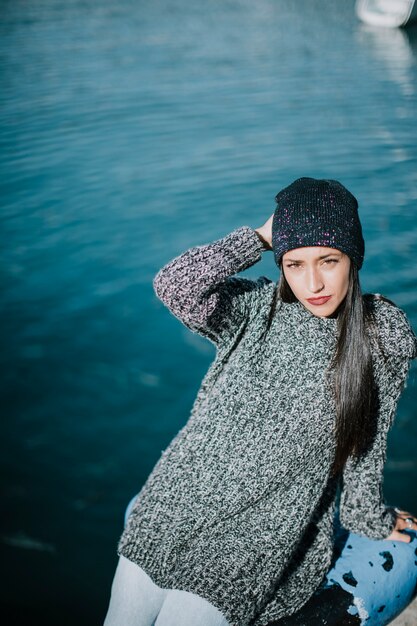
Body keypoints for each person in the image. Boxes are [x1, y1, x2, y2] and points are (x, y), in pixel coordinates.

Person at [103, 177, 417, 626]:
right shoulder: (254, 308)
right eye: (294, 263)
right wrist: (260, 236)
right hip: (176, 499)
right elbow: (176, 285)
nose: (313, 282)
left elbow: (366, 443)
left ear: (353, 258)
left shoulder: (380, 333)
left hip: (258, 532)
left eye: (328, 260)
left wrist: (368, 516)